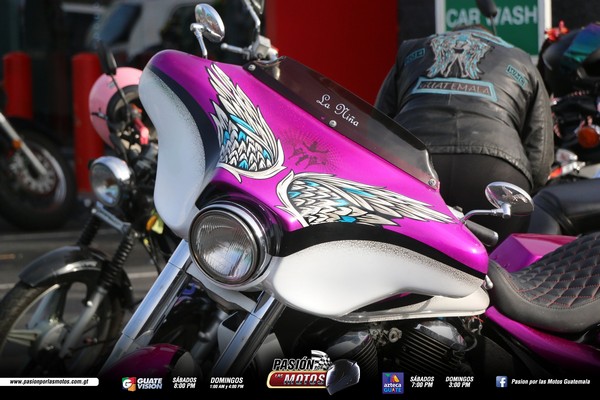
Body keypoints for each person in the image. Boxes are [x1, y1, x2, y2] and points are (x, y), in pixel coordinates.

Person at [375, 25, 554, 246]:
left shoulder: (412, 50)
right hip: (496, 171)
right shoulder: (521, 59)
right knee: (499, 261)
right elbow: (540, 159)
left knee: (405, 254)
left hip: (411, 162)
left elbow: (378, 126)